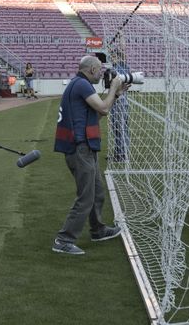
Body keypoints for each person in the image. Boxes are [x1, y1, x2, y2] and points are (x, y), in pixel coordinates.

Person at [52, 56, 128, 255]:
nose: (102, 73)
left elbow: (98, 114)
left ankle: (98, 230)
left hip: (84, 147)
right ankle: (63, 240)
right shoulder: (82, 85)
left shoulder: (79, 84)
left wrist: (115, 94)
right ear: (92, 69)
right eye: (100, 69)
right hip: (80, 147)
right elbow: (104, 108)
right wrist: (114, 87)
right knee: (86, 196)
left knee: (97, 192)